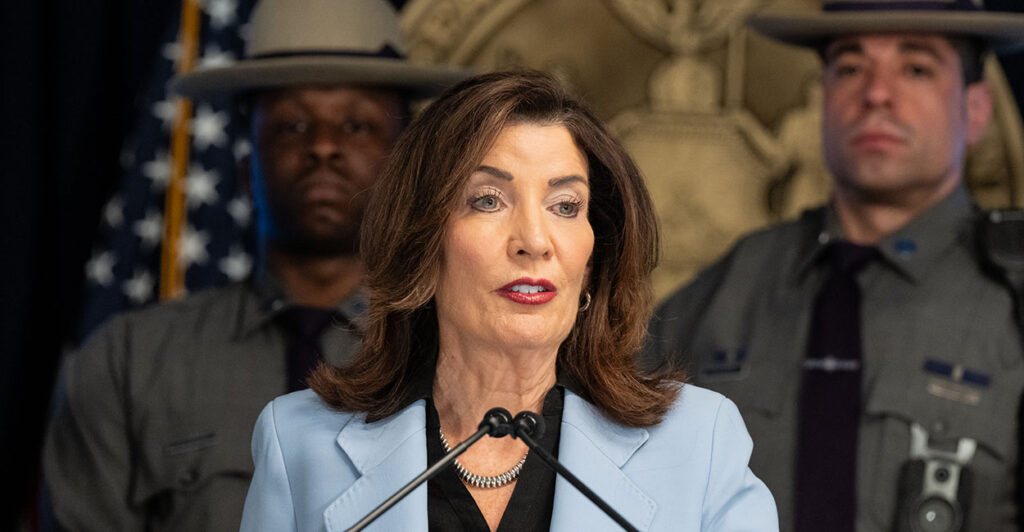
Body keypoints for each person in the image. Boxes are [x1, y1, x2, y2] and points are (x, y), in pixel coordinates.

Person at [238, 69, 777, 531]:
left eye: (566, 205)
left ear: (593, 258)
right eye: (488, 200)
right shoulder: (298, 444)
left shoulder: (701, 441)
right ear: (423, 243)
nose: (534, 240)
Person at [41, 0, 467, 529]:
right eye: (292, 126)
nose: (324, 147)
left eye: (357, 125)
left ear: (405, 171)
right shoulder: (127, 363)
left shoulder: (466, 358)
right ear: (246, 170)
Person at [644, 1, 1024, 531]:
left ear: (976, 108)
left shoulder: (1014, 294)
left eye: (915, 68)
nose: (875, 94)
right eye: (850, 67)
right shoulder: (733, 286)